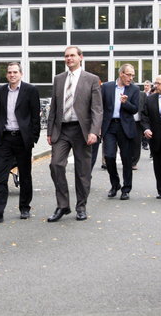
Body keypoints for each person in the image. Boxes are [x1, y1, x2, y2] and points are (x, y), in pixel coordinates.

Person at [47, 46, 103, 222]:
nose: (69, 58)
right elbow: (54, 108)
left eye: (72, 55)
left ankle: (81, 207)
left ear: (80, 57)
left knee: (82, 171)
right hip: (61, 130)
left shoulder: (92, 79)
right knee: (56, 165)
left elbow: (97, 109)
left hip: (82, 131)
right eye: (66, 56)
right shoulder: (59, 79)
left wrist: (94, 131)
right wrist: (49, 131)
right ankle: (63, 206)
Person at [0, 62, 41, 223]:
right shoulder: (1, 91)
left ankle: (24, 208)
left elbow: (35, 117)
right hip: (5, 139)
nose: (12, 75)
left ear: (21, 74)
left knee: (25, 175)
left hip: (22, 140)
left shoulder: (30, 90)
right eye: (9, 72)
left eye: (15, 72)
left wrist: (33, 139)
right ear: (7, 75)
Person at [101, 64, 139, 200]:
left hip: (125, 127)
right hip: (109, 126)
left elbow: (135, 109)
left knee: (126, 159)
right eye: (128, 75)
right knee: (109, 157)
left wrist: (125, 103)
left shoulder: (134, 89)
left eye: (132, 75)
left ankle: (126, 189)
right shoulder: (107, 87)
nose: (131, 78)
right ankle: (115, 184)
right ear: (121, 74)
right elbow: (100, 106)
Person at [141, 80, 152, 151]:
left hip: (150, 114)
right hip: (143, 113)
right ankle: (144, 144)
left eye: (147, 85)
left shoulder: (152, 93)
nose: (146, 87)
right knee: (144, 129)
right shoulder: (141, 93)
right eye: (145, 85)